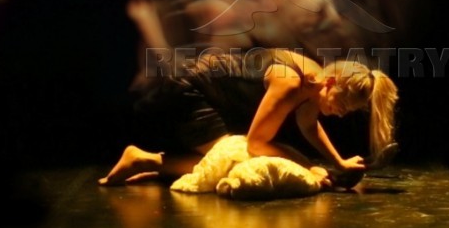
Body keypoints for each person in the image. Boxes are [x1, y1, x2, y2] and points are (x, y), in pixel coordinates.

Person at [98, 49, 398, 187]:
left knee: (233, 157)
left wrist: (338, 163)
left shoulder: (314, 81)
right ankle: (145, 160)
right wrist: (308, 168)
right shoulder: (291, 83)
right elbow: (257, 143)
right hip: (189, 89)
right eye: (342, 103)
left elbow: (308, 125)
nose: (342, 113)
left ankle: (162, 168)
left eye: (348, 110)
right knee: (237, 159)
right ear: (331, 84)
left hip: (211, 94)